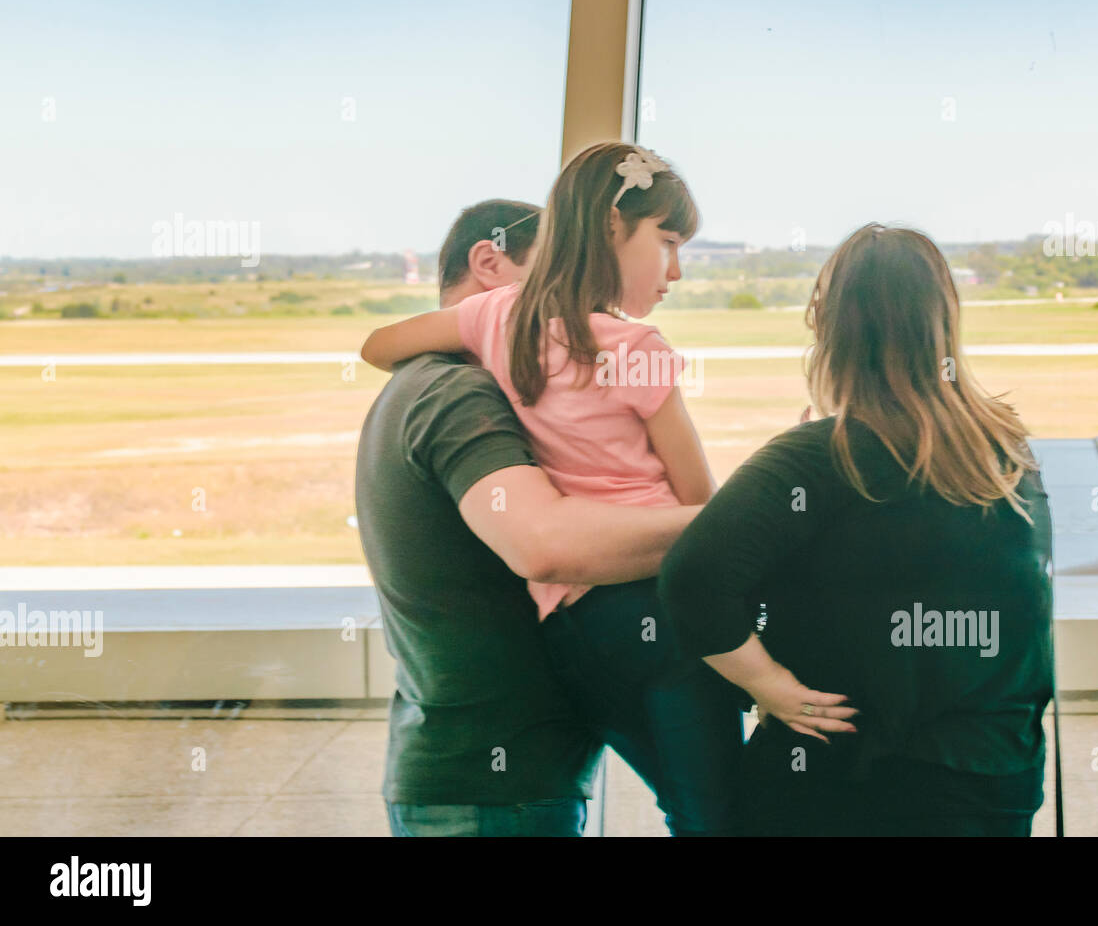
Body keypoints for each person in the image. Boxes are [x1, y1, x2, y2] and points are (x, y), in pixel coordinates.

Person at [363, 144, 835, 836]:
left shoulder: (495, 322)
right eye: (668, 243)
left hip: (577, 629)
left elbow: (378, 344)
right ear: (613, 227)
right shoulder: (635, 347)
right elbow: (703, 508)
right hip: (656, 613)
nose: (674, 270)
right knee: (725, 815)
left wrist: (503, 338)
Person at [658, 223, 1055, 837]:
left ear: (830, 326)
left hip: (846, 781)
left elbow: (693, 578)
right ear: (944, 320)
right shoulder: (1005, 454)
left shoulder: (818, 458)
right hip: (993, 779)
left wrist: (772, 686)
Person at [356, 198, 701, 837]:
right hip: (494, 793)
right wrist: (736, 526)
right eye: (560, 266)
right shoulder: (458, 391)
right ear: (489, 262)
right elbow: (543, 546)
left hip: (475, 776)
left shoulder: (431, 380)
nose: (579, 291)